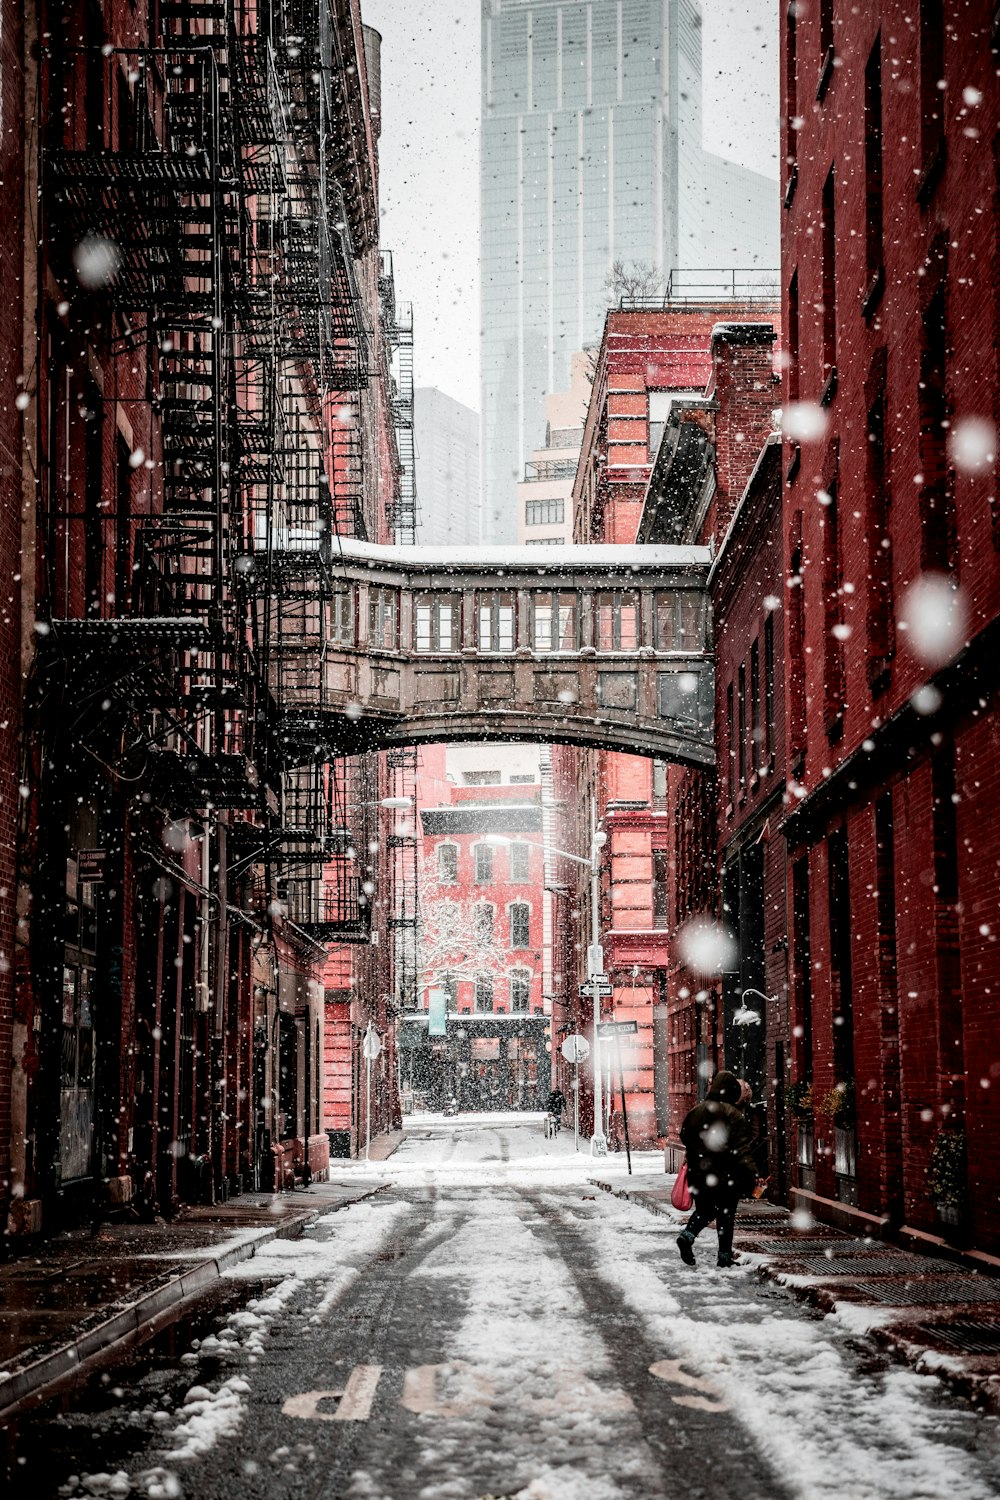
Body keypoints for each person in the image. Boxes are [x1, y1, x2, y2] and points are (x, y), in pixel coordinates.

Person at [677, 1069, 758, 1269]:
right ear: (731, 1091)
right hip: (726, 1175)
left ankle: (687, 1236)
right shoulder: (733, 1115)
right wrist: (752, 1173)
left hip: (698, 1172)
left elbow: (684, 1136)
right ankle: (724, 1257)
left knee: (704, 1210)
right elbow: (742, 1149)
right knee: (726, 1214)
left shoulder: (696, 1111)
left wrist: (699, 1152)